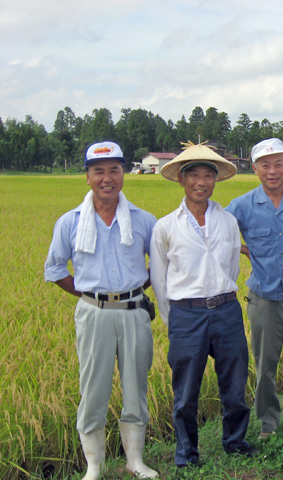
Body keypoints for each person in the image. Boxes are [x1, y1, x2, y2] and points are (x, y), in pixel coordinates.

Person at [44, 141, 158, 479]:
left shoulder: (143, 220)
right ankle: (94, 464)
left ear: (124, 173)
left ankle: (135, 460)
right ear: (88, 176)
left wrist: (133, 292)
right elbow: (55, 270)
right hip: (92, 313)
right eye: (99, 171)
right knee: (93, 387)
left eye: (114, 170)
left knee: (137, 384)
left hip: (135, 311)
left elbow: (161, 265)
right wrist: (90, 295)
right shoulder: (70, 222)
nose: (106, 178)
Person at [149, 142, 255, 467]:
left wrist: (222, 299)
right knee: (185, 393)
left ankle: (235, 441)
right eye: (193, 175)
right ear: (181, 180)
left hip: (226, 310)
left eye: (207, 175)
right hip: (186, 314)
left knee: (235, 385)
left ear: (215, 180)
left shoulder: (227, 222)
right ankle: (186, 454)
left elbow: (232, 270)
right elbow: (159, 278)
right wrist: (175, 320)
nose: (201, 182)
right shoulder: (165, 226)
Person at [226, 138, 283, 438]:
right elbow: (218, 233)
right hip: (263, 296)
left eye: (279, 163)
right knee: (265, 364)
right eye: (265, 165)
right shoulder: (241, 206)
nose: (273, 170)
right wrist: (247, 250)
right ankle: (268, 422)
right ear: (255, 169)